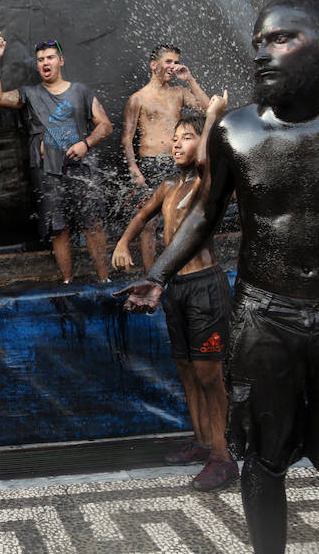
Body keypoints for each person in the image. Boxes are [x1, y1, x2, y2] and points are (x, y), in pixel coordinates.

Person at [116, 0, 319, 553]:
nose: (263, 52)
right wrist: (158, 271)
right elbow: (205, 212)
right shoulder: (236, 131)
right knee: (261, 456)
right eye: (259, 41)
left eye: (283, 38)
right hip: (264, 318)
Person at [112, 100, 238, 491]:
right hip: (175, 288)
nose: (177, 144)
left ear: (203, 143)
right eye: (175, 138)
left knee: (209, 374)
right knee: (186, 369)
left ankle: (224, 455)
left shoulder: (208, 181)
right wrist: (123, 241)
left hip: (205, 286)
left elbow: (205, 162)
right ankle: (202, 442)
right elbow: (141, 215)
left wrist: (213, 117)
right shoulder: (168, 186)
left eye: (188, 137)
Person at [0, 34, 113, 283]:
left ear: (61, 61)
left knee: (93, 223)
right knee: (59, 227)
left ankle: (104, 281)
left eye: (50, 57)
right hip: (47, 171)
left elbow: (106, 126)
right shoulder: (30, 93)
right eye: (40, 59)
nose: (45, 62)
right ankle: (67, 283)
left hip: (82, 168)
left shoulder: (81, 91)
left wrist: (85, 144)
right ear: (37, 65)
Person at [121, 44, 210, 271]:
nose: (174, 66)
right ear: (154, 65)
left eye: (176, 61)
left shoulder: (179, 93)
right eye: (169, 61)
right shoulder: (138, 98)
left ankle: (179, 267)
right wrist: (133, 168)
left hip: (177, 160)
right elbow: (127, 138)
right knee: (149, 223)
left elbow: (209, 109)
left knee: (180, 216)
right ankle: (153, 274)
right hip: (150, 162)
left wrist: (189, 80)